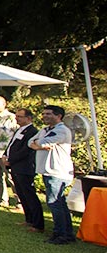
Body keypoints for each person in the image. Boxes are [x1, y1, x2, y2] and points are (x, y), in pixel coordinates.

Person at [28, 105, 75, 244]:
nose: (45, 116)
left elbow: (42, 143)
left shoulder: (61, 131)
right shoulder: (44, 130)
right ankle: (67, 233)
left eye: (49, 114)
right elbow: (31, 142)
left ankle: (61, 234)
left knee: (54, 203)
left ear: (59, 116)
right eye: (43, 114)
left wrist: (39, 144)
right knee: (59, 203)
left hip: (57, 171)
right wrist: (38, 144)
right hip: (47, 170)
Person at [4, 108, 42, 231]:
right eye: (17, 116)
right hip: (15, 166)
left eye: (20, 116)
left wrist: (11, 159)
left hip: (24, 167)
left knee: (29, 195)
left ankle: (37, 223)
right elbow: (12, 145)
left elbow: (26, 150)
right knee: (21, 193)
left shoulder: (32, 131)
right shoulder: (19, 130)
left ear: (28, 118)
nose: (17, 118)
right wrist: (5, 155)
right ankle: (29, 219)